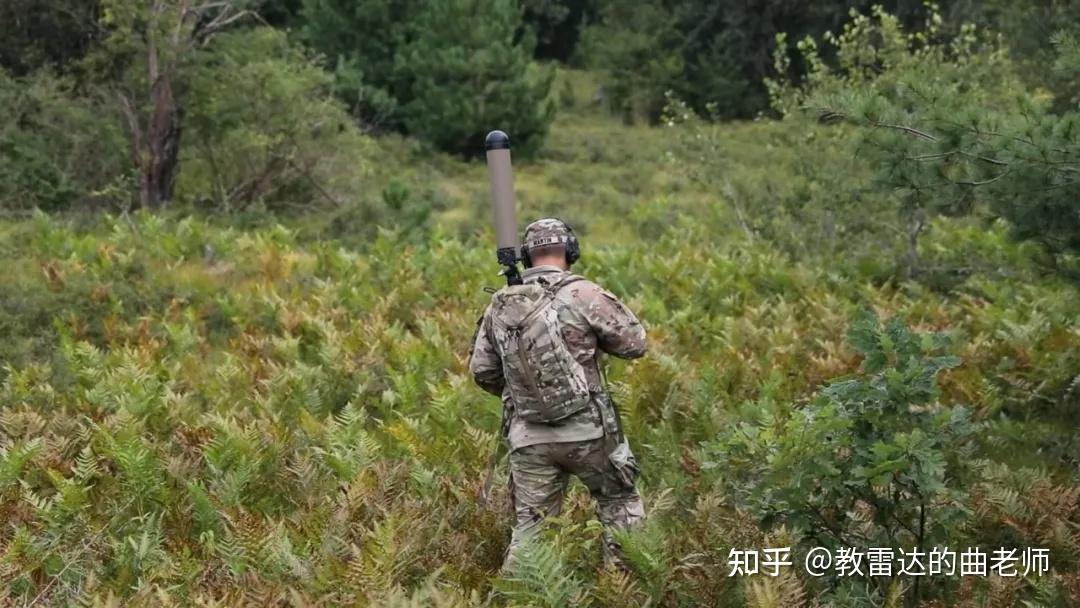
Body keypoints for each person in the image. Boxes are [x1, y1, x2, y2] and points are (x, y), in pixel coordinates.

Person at [469, 217, 647, 570]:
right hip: (591, 432)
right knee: (619, 506)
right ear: (570, 251)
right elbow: (635, 344)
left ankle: (522, 597)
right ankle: (622, 592)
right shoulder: (584, 293)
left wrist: (527, 392)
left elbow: (483, 371)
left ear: (526, 255)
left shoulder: (501, 304)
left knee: (530, 531)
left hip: (529, 437)